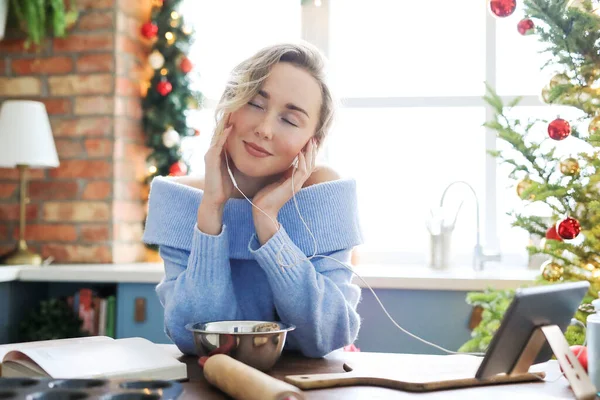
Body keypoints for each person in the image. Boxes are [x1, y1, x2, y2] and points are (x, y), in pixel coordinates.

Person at [143, 42, 364, 358]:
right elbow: (193, 336)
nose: (264, 129)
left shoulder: (323, 193)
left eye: (289, 120)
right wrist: (211, 210)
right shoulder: (182, 198)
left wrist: (268, 224)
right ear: (231, 104)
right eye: (255, 104)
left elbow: (325, 335)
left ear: (311, 144)